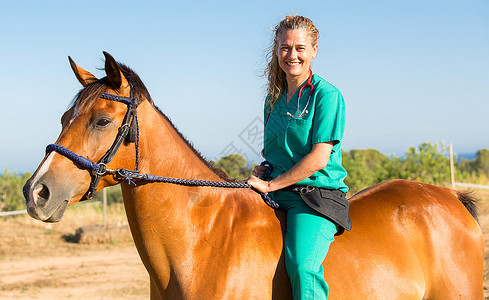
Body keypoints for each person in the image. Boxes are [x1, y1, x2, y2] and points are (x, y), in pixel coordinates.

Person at [247, 15, 351, 299]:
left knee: (303, 266)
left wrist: (270, 185)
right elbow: (275, 153)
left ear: (314, 50)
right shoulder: (273, 98)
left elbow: (318, 158)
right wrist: (263, 170)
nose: (292, 55)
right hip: (276, 189)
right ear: (277, 51)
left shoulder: (327, 96)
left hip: (314, 195)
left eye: (300, 48)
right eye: (285, 48)